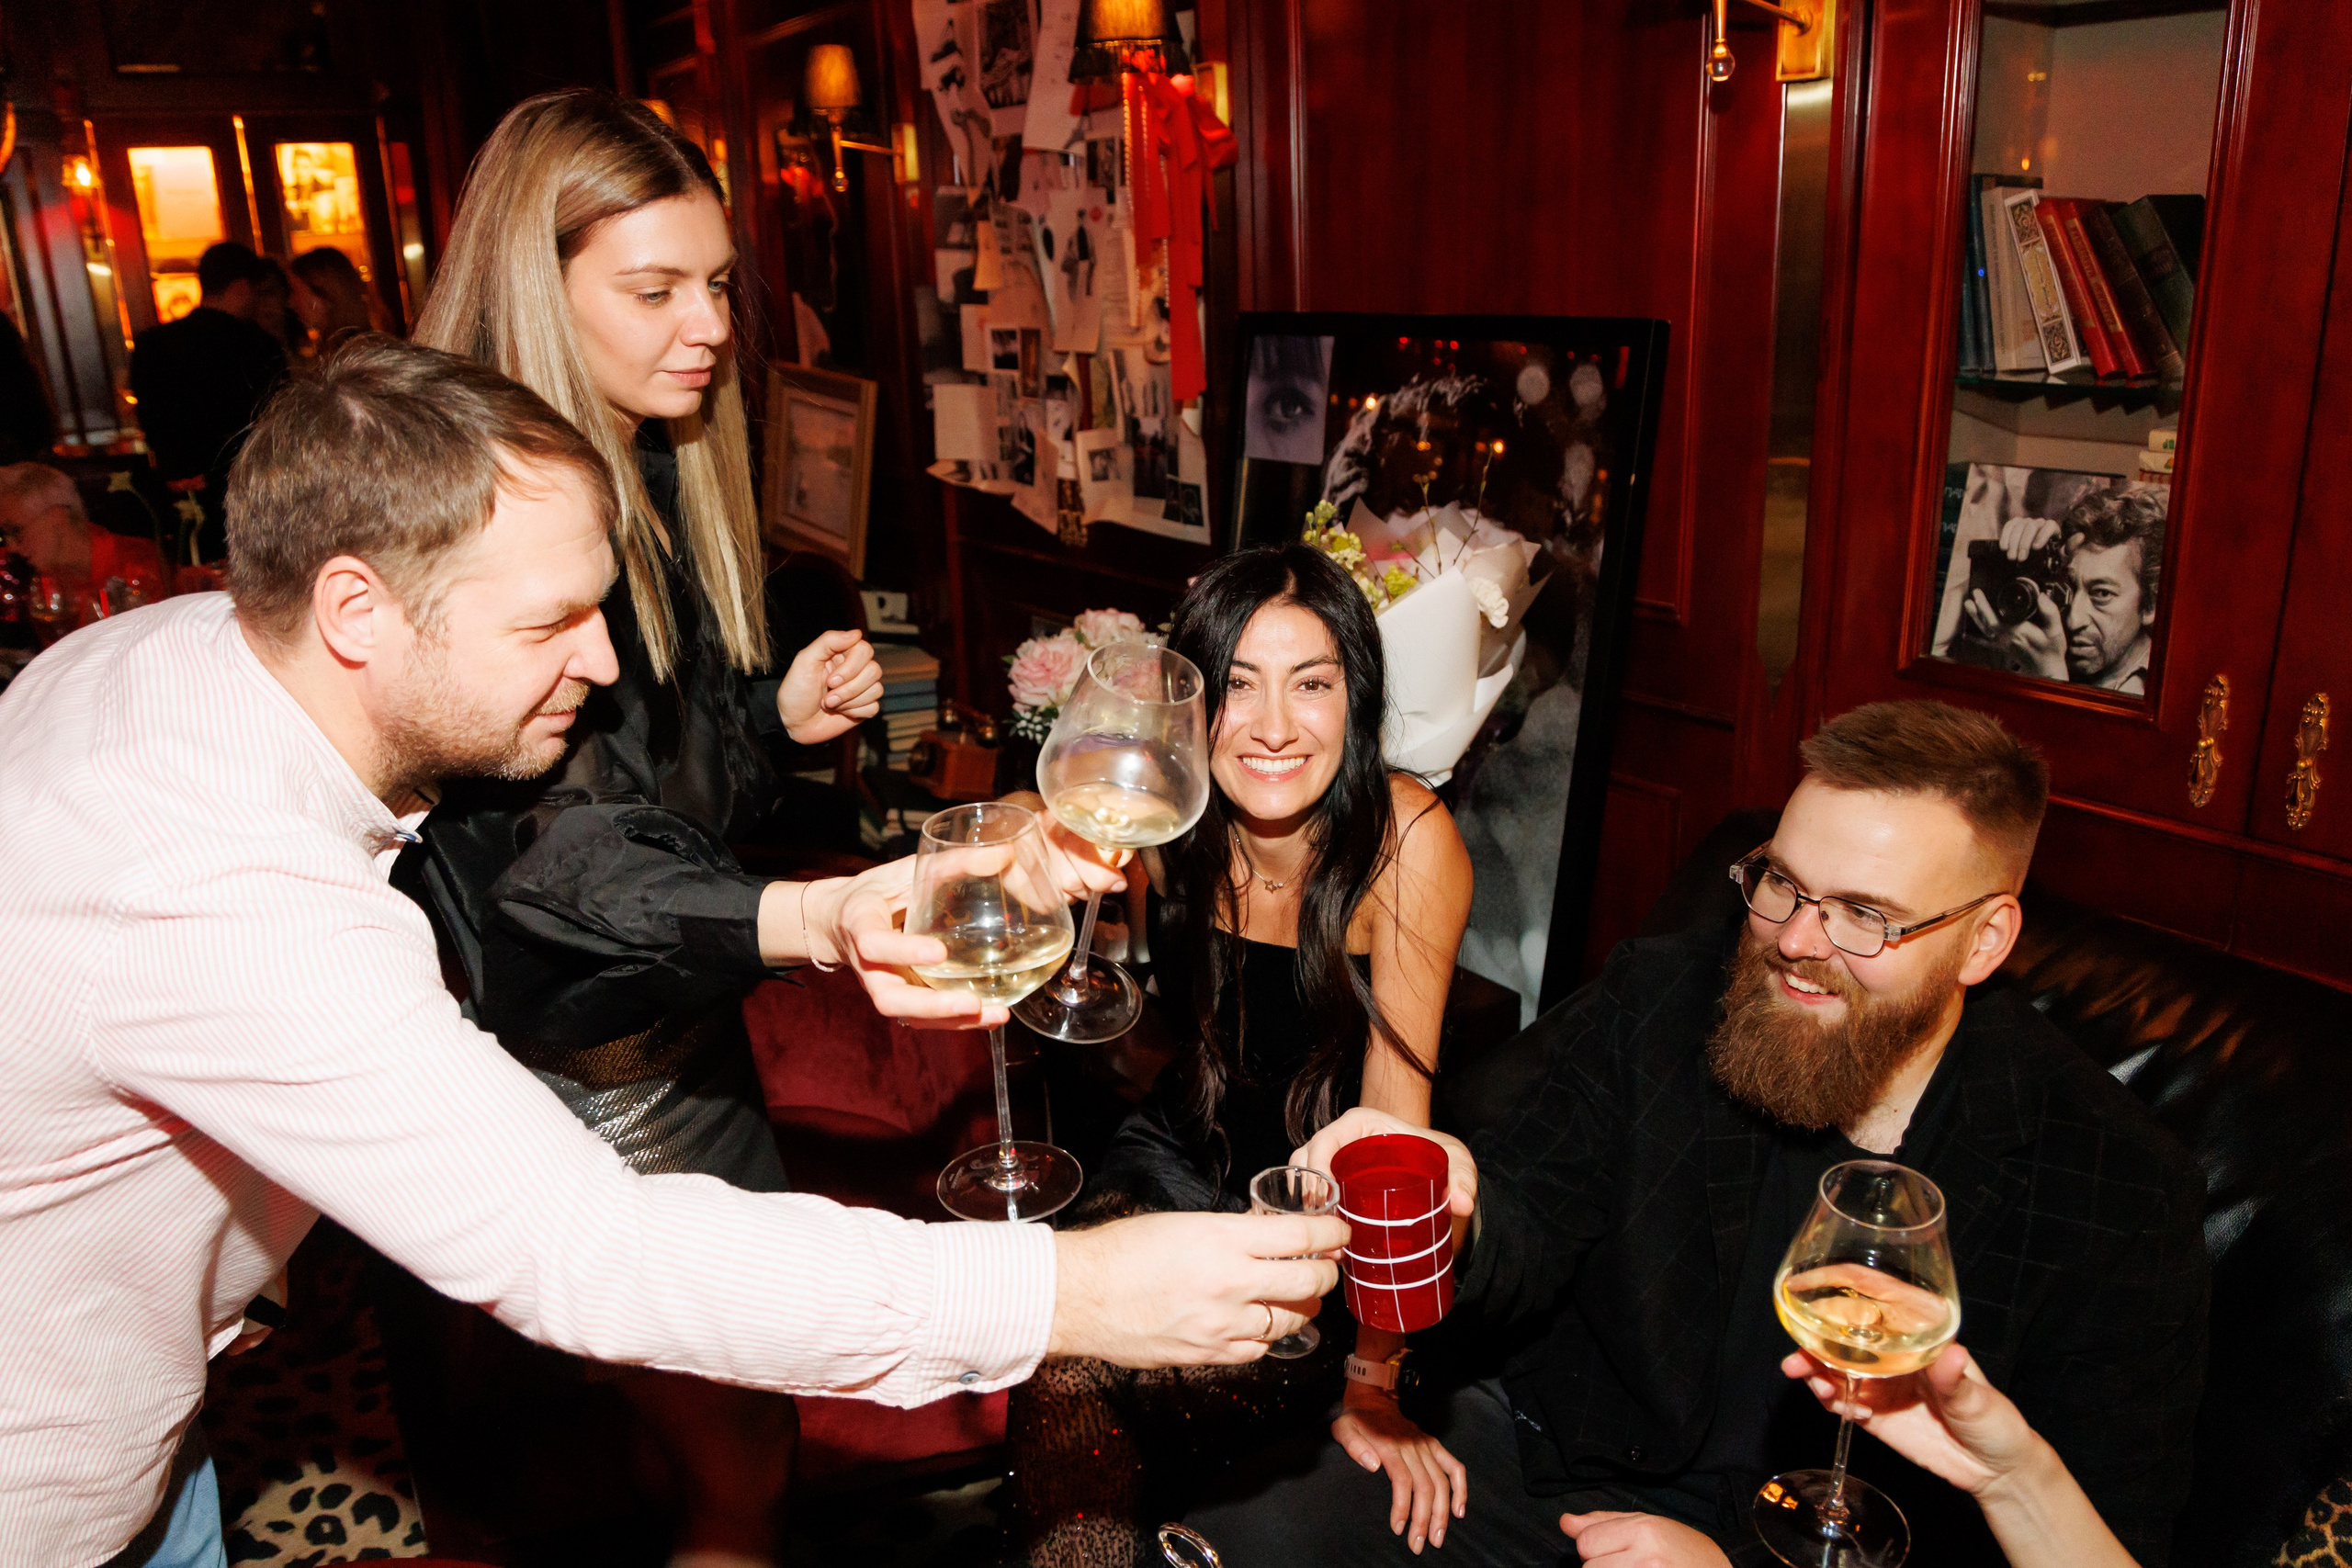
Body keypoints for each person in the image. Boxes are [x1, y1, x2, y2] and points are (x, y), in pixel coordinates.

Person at [0, 338, 1346, 1568]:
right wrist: (1069, 1288)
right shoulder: (226, 891)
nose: (598, 658)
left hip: (159, 1408)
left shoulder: (176, 648)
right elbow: (593, 1249)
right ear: (357, 607)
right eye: (546, 623)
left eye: (597, 605)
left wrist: (826, 913)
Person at [1196, 699, 2208, 1567]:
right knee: (1246, 1532)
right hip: (1559, 1450)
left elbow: (2083, 1528)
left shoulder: (2112, 1182)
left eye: (1864, 915)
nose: (1798, 944)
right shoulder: (1667, 993)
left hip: (1800, 1546)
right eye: (1782, 884)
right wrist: (1456, 1212)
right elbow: (1529, 1223)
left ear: (1984, 938)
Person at [393, 87, 944, 1562]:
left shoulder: (649, 462)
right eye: (652, 289)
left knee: (714, 1443)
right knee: (728, 1444)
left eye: (715, 283)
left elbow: (653, 796)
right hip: (590, 1075)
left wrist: (769, 721)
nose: (706, 322)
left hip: (683, 1033)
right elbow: (555, 864)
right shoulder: (482, 510)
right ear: (535, 282)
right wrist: (815, 915)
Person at [1007, 544, 1476, 1568]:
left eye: (1311, 684)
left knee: (1176, 1408)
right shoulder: (1168, 814)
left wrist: (1374, 1383)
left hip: (1321, 1226)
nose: (1272, 727)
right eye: (1236, 687)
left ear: (1355, 698)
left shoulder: (1404, 837)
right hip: (1173, 1161)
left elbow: (1398, 1136)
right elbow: (1040, 850)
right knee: (1063, 1353)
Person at [128, 243, 287, 560]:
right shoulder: (257, 346)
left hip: (179, 498)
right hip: (250, 497)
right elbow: (274, 425)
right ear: (242, 287)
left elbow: (150, 421)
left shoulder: (152, 344)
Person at [1954, 484, 2165, 694]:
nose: (2074, 620)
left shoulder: (2164, 689)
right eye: (2070, 588)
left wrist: (2050, 677)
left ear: (2150, 605)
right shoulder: (2049, 645)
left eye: (2102, 594)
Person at [0, 461, 167, 621]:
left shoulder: (140, 566)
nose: (11, 547)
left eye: (16, 531)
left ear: (55, 516)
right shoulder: (46, 582)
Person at [288, 247, 381, 355]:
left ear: (322, 292)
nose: (291, 303)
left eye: (294, 291)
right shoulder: (338, 345)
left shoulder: (352, 352)